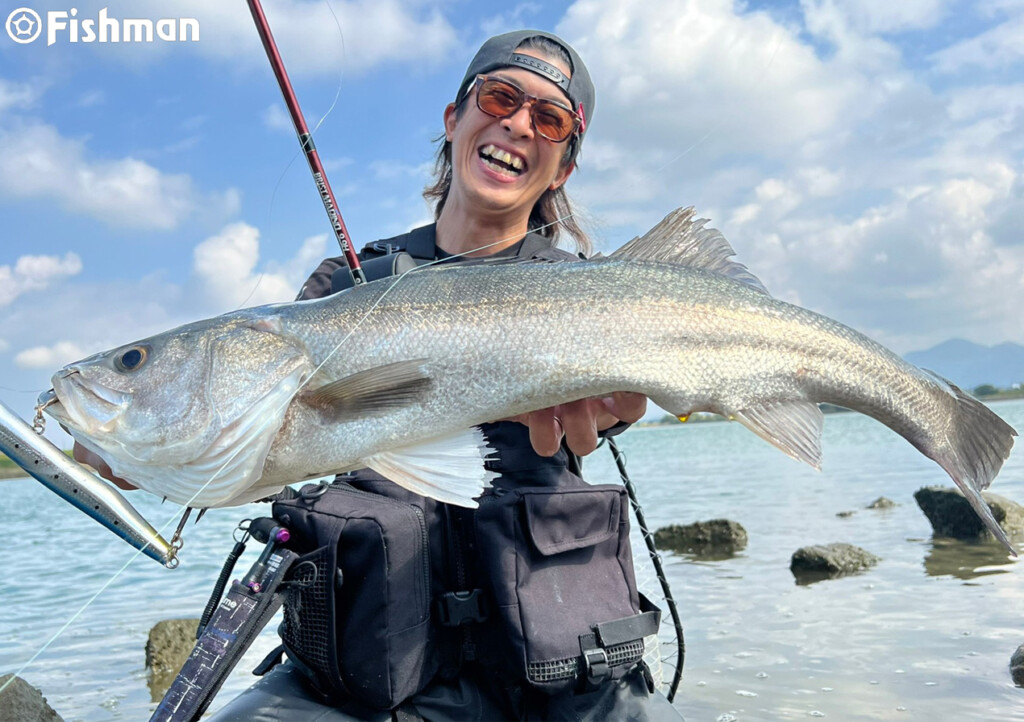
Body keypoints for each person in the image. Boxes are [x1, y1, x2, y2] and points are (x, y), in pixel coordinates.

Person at [85, 29, 684, 721]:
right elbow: (260, 453)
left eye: (548, 118)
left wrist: (613, 412)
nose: (517, 123)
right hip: (373, 667)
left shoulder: (599, 292)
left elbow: (617, 408)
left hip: (560, 666)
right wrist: (148, 443)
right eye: (499, 96)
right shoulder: (347, 283)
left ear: (563, 169)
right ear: (454, 117)